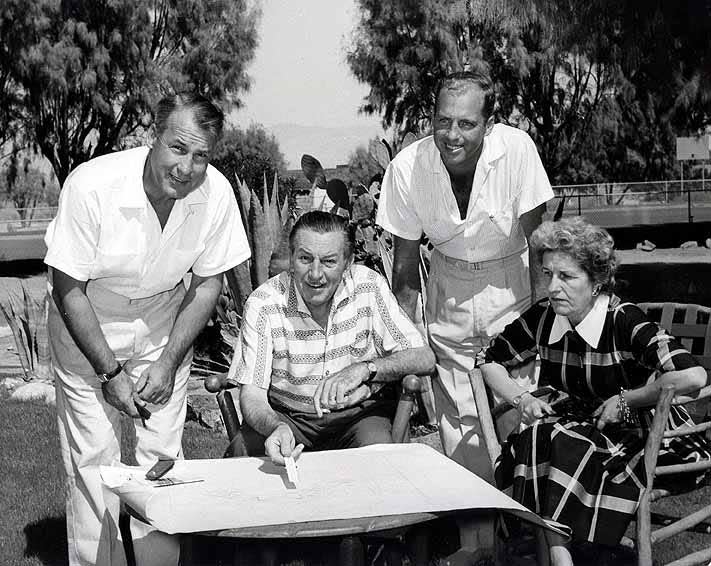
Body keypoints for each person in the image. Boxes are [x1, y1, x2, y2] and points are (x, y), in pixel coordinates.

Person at [45, 93, 250, 566]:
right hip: (87, 315)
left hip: (164, 319)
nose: (187, 167)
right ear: (152, 137)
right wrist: (110, 373)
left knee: (162, 457)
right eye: (178, 148)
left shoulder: (215, 193)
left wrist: (168, 362)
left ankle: (155, 561)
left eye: (201, 155)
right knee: (95, 460)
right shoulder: (93, 185)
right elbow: (67, 287)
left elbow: (206, 284)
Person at [478, 217, 711, 566]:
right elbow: (488, 359)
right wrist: (521, 398)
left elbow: (693, 376)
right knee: (543, 436)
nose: (553, 287)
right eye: (548, 274)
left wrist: (627, 399)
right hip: (573, 429)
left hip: (640, 431)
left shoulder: (623, 319)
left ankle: (558, 557)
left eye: (567, 277)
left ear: (597, 281)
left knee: (552, 440)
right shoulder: (544, 316)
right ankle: (563, 560)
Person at [376, 66, 554, 477]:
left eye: (467, 124)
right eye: (443, 121)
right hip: (448, 289)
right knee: (458, 416)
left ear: (489, 125)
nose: (452, 135)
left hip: (512, 286)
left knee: (518, 405)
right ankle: (478, 530)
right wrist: (407, 346)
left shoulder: (517, 150)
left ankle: (526, 521)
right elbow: (404, 272)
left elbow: (540, 243)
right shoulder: (406, 168)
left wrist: (544, 325)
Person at [226, 211, 436, 464]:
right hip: (289, 418)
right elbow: (253, 395)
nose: (315, 274)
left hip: (358, 417)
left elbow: (424, 358)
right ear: (291, 260)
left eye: (328, 261)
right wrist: (275, 428)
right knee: (243, 456)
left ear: (347, 263)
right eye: (305, 259)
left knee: (381, 462)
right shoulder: (265, 303)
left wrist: (365, 370)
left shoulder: (367, 286)